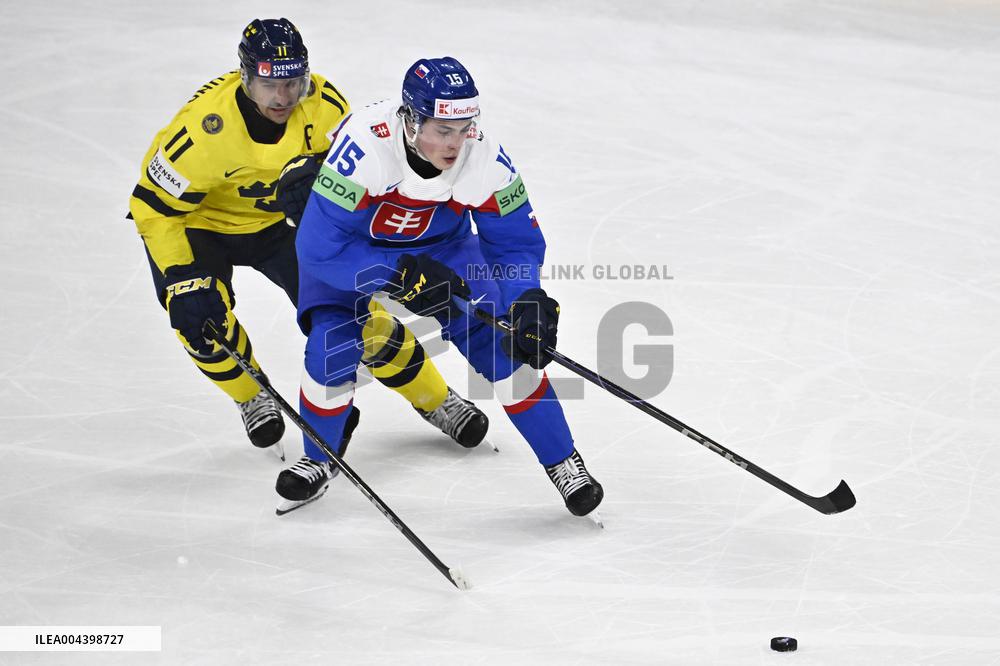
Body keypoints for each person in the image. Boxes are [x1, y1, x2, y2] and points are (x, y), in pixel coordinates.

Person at [128, 20, 488, 492]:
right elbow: (151, 209)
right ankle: (251, 395)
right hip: (199, 227)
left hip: (282, 228)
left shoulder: (325, 105)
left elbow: (350, 183)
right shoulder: (201, 131)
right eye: (269, 84)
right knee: (200, 323)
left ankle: (437, 399)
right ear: (244, 77)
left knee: (359, 314)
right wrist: (180, 278)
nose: (283, 96)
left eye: (293, 82)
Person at [283, 56, 603, 517]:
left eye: (465, 128)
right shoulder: (365, 148)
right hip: (353, 251)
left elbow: (515, 243)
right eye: (443, 130)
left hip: (442, 247)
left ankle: (563, 461)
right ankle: (317, 459)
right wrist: (396, 278)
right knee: (331, 345)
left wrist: (526, 296)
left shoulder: (485, 156)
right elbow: (317, 250)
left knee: (503, 343)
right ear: (410, 122)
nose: (456, 144)